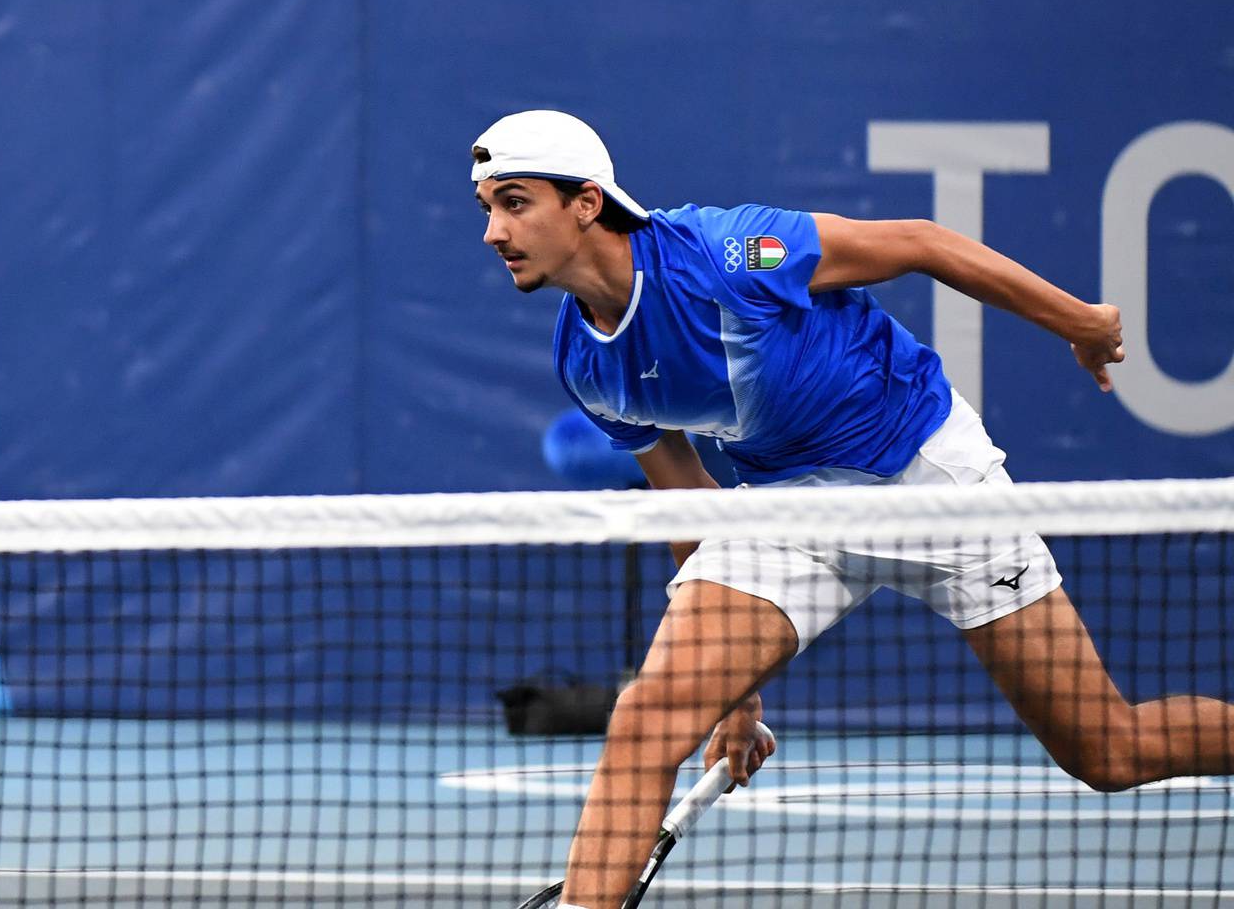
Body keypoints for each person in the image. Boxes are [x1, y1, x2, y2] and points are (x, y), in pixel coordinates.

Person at [469, 109, 1234, 907]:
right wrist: (735, 694)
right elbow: (687, 505)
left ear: (586, 203)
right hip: (790, 512)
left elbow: (921, 244)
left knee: (1106, 750)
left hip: (929, 478)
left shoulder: (730, 254)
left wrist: (1081, 322)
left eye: (515, 202)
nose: (494, 231)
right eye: (488, 208)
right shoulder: (586, 364)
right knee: (649, 717)